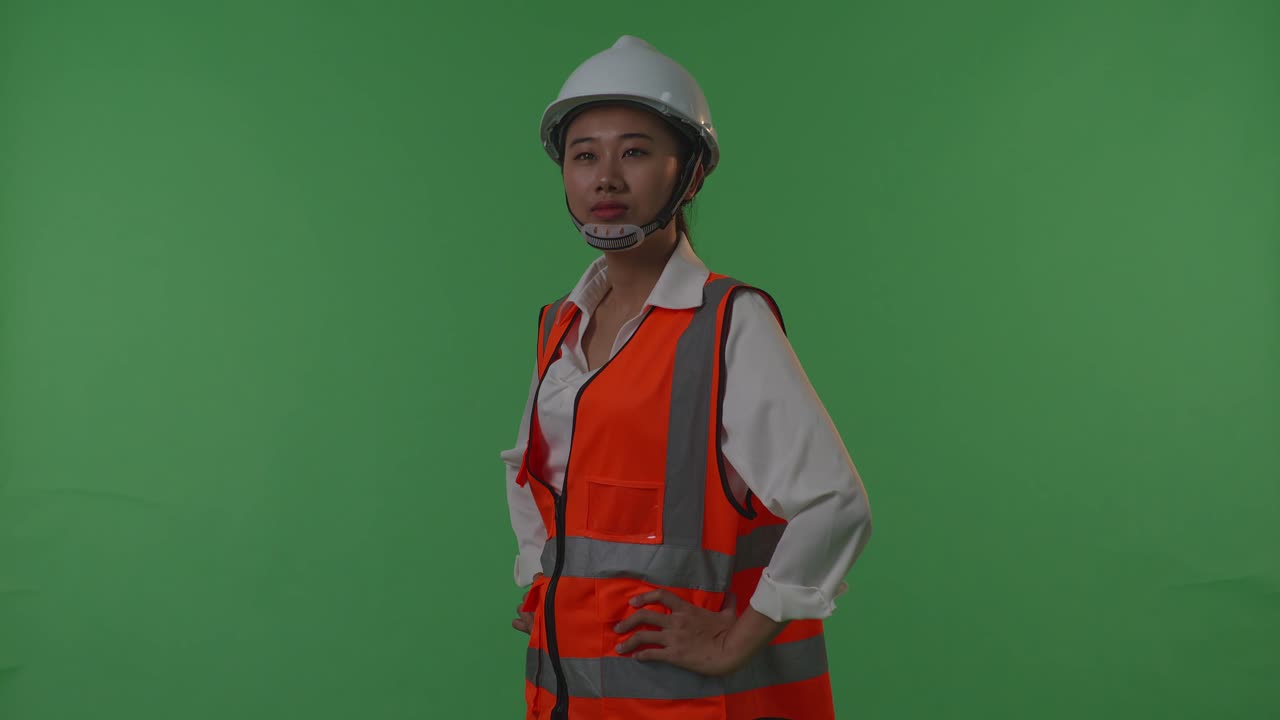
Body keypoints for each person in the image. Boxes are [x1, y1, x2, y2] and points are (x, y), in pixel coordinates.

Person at [501, 35, 873, 720]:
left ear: (692, 174)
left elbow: (834, 502)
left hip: (689, 702)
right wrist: (543, 578)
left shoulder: (727, 322)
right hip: (566, 698)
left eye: (635, 152)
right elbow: (532, 475)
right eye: (584, 155)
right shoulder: (560, 326)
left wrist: (736, 638)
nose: (606, 178)